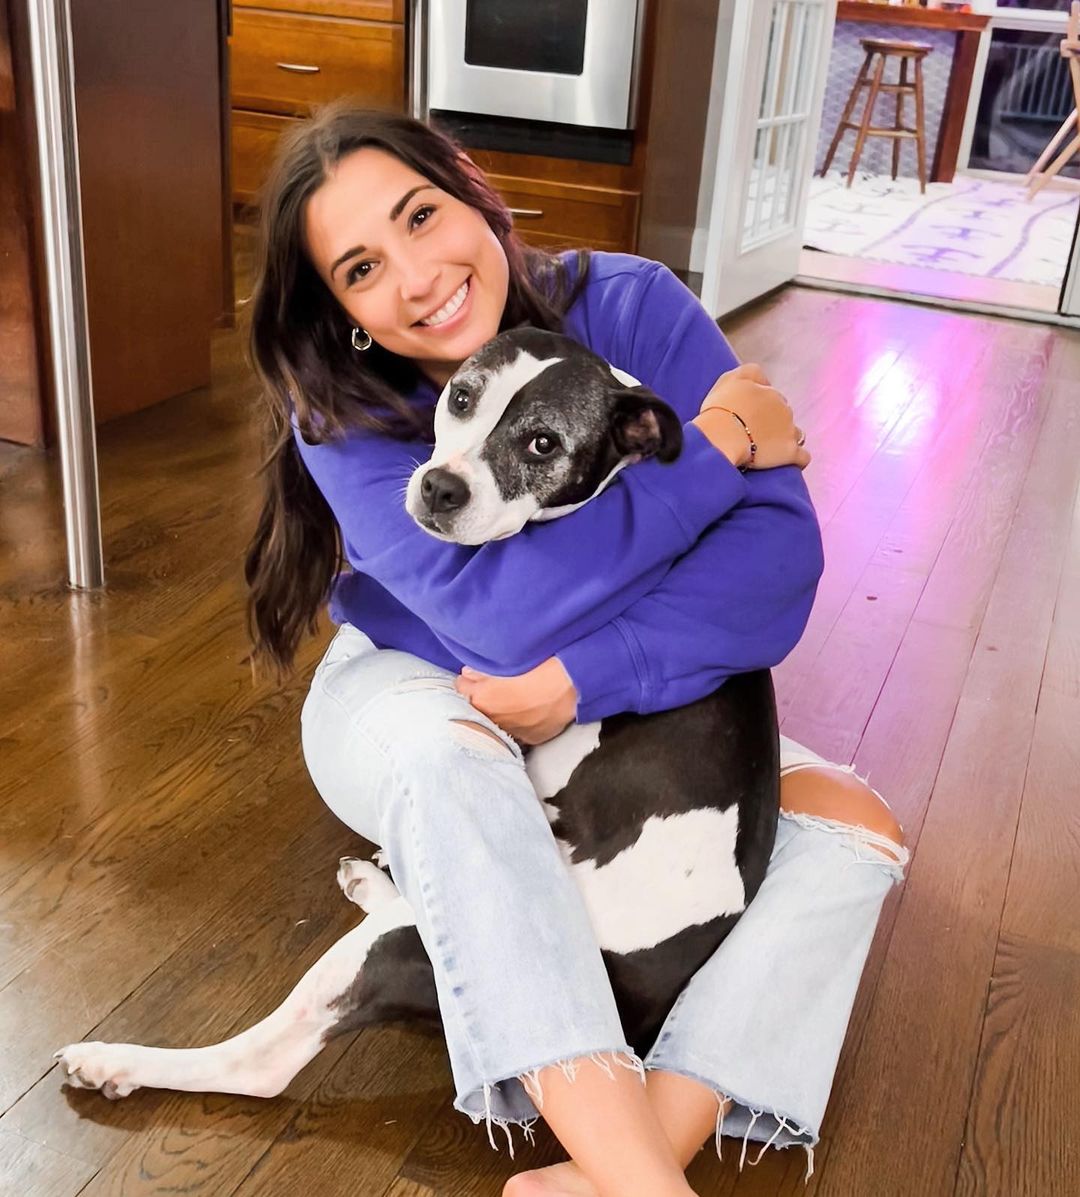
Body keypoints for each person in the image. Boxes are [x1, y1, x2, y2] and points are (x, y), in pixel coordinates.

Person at [244, 103, 908, 1197]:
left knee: (858, 836)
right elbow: (497, 618)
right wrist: (721, 452)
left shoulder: (635, 310)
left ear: (472, 188)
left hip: (617, 702)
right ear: (342, 309)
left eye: (421, 217)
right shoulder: (343, 402)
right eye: (363, 268)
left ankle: (616, 1162)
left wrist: (579, 676)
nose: (416, 279)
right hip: (406, 679)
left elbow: (780, 560)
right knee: (463, 770)